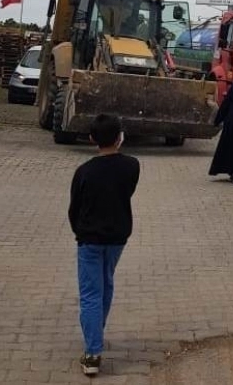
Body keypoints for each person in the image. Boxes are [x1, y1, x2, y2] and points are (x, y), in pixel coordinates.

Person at [68, 114, 140, 376]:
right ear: (120, 137)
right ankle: (97, 328)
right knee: (106, 283)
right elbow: (126, 192)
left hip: (89, 239)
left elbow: (74, 208)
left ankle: (92, 353)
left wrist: (79, 230)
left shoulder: (84, 172)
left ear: (91, 139)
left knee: (90, 294)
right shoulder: (132, 166)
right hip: (117, 237)